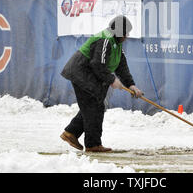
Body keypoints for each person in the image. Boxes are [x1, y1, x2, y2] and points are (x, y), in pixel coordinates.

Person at [60, 15, 144, 153]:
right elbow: (97, 64)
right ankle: (92, 145)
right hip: (80, 72)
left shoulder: (117, 45)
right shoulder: (105, 40)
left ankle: (71, 133)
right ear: (118, 32)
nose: (127, 36)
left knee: (93, 105)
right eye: (125, 33)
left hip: (89, 75)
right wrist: (112, 80)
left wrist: (131, 85)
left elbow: (121, 67)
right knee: (94, 106)